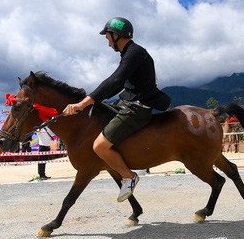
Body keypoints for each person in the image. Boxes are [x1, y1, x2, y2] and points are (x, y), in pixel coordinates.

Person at [63, 17, 171, 202]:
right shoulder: (129, 53)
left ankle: (129, 177)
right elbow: (117, 87)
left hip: (137, 108)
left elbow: (114, 80)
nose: (107, 43)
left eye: (107, 38)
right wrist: (92, 103)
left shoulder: (134, 53)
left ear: (116, 35)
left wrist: (83, 103)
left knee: (98, 145)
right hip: (125, 103)